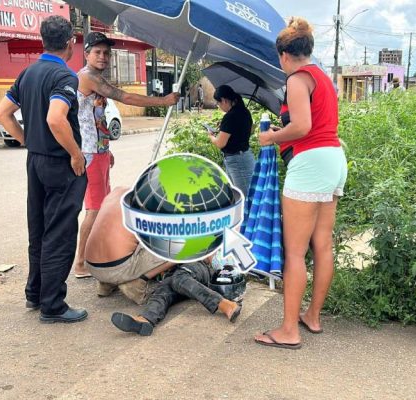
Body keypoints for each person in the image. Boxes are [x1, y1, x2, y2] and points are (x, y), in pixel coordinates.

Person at [254, 17, 347, 349]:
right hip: (334, 158)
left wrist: (271, 137)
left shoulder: (296, 79)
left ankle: (289, 330)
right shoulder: (323, 77)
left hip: (309, 162)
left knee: (294, 252)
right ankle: (313, 317)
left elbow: (302, 127)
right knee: (322, 245)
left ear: (283, 55)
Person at [0, 15, 88, 324]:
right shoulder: (65, 76)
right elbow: (56, 119)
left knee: (38, 228)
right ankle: (53, 305)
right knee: (59, 232)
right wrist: (75, 154)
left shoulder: (28, 73)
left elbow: (3, 113)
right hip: (60, 163)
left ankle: (35, 293)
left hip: (35, 161)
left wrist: (27, 141)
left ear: (43, 41)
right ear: (71, 43)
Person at [72, 31, 179, 279]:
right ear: (86, 54)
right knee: (95, 210)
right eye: (97, 52)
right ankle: (80, 263)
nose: (103, 56)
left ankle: (93, 257)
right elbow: (125, 96)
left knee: (102, 206)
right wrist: (163, 101)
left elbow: (97, 119)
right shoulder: (88, 77)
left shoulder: (95, 77)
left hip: (98, 151)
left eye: (106, 53)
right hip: (89, 153)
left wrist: (106, 148)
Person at [85, 187, 176, 304]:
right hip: (115, 269)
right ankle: (137, 282)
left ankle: (106, 284)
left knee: (126, 238)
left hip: (92, 267)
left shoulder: (118, 191)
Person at [111, 260, 242, 336]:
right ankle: (146, 319)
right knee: (163, 290)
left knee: (180, 278)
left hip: (200, 266)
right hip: (173, 273)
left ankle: (224, 304)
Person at [207, 85, 255, 197]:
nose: (219, 106)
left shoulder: (230, 116)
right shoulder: (244, 112)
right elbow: (244, 132)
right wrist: (224, 128)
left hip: (237, 160)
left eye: (218, 103)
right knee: (243, 194)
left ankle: (244, 215)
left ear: (224, 100)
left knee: (243, 198)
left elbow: (220, 143)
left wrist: (211, 136)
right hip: (244, 156)